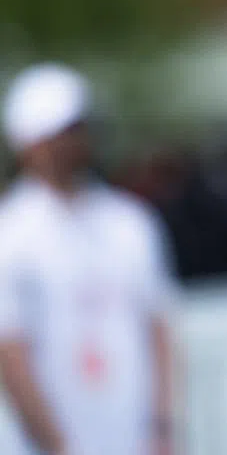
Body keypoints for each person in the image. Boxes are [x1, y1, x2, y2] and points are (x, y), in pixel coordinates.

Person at [0, 64, 176, 455]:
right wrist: (57, 446)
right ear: (29, 142)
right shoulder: (11, 234)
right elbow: (10, 353)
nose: (73, 143)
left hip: (134, 439)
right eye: (61, 132)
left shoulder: (129, 222)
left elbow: (158, 326)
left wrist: (162, 430)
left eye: (78, 130)